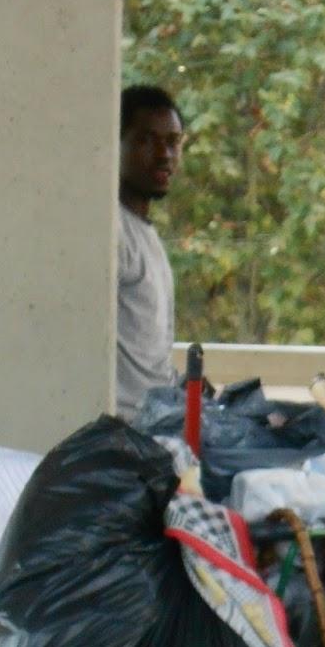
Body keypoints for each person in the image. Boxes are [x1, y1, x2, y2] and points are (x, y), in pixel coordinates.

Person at [116, 85, 185, 421]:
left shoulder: (143, 230)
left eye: (173, 142)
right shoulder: (111, 230)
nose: (164, 155)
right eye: (147, 140)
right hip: (127, 434)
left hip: (162, 419)